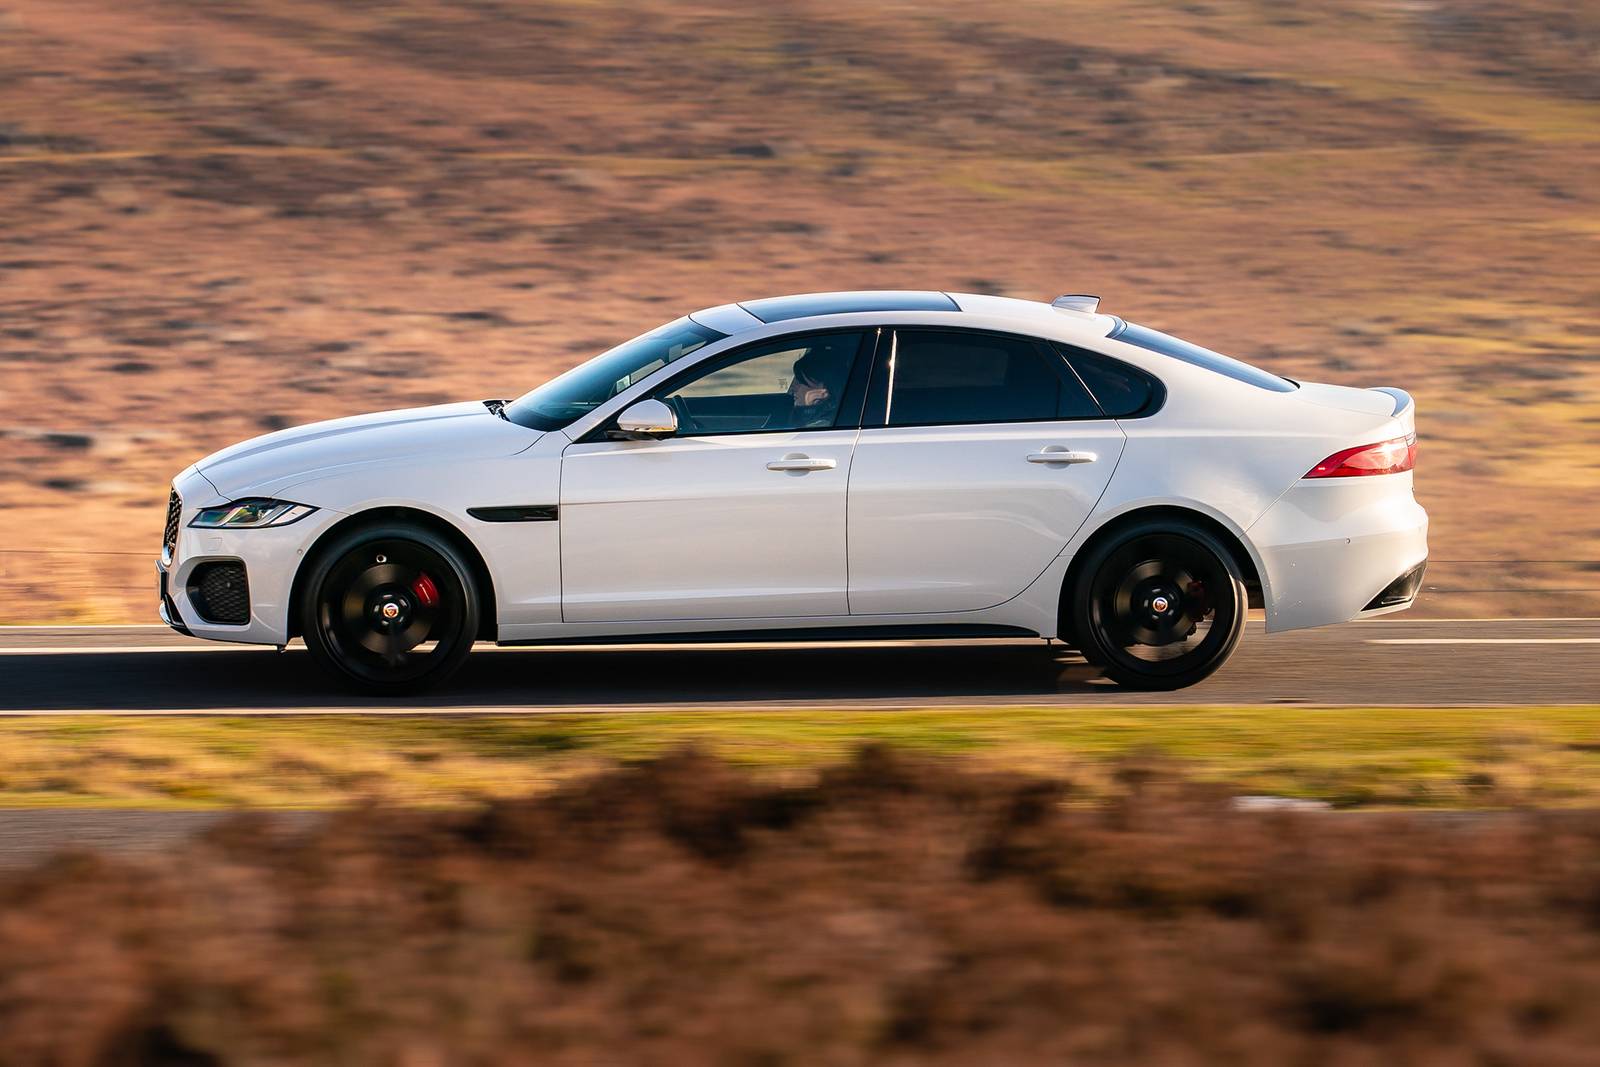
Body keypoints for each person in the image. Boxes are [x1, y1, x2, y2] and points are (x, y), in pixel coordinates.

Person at [787, 344, 850, 428]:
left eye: (800, 382)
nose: (792, 388)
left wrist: (807, 410)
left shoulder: (825, 423)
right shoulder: (835, 416)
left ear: (824, 389)